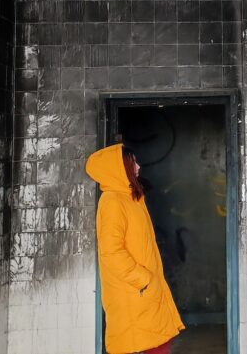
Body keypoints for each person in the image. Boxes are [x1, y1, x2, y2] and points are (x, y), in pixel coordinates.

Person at [87, 143, 184, 353]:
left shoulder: (130, 198)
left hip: (143, 293)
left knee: (158, 343)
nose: (139, 167)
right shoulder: (112, 202)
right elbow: (111, 252)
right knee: (150, 346)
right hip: (134, 294)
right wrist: (143, 279)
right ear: (119, 169)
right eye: (133, 163)